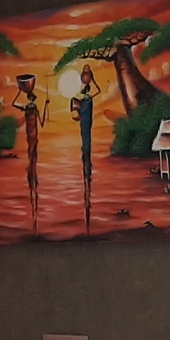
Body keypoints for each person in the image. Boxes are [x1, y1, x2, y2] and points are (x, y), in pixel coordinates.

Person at [69, 63, 105, 227]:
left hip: (86, 120)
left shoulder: (88, 100)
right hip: (84, 119)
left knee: (86, 142)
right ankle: (86, 166)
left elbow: (97, 90)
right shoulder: (85, 100)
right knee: (85, 143)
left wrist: (94, 79)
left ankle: (87, 167)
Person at [13, 73, 50, 233]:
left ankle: (34, 187)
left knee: (33, 158)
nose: (31, 100)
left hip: (34, 137)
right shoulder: (28, 108)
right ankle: (32, 187)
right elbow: (14, 103)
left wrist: (46, 105)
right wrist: (19, 91)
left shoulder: (31, 109)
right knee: (31, 159)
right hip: (31, 136)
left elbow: (41, 122)